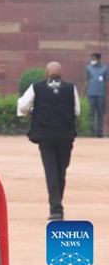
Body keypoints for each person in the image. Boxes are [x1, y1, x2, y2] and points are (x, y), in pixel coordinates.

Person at [17, 62, 80, 220]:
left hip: (45, 135)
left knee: (50, 170)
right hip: (65, 136)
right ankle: (57, 205)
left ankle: (56, 209)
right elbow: (77, 111)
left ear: (46, 74)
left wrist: (33, 111)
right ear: (61, 75)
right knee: (61, 171)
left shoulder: (36, 87)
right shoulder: (70, 88)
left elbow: (22, 105)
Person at [84, 52, 107, 137]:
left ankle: (99, 132)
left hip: (101, 94)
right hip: (91, 93)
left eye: (94, 59)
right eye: (92, 59)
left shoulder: (104, 68)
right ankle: (92, 131)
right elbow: (87, 80)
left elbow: (106, 82)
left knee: (100, 113)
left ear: (98, 59)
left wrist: (107, 95)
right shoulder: (89, 68)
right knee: (91, 113)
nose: (92, 61)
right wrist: (84, 93)